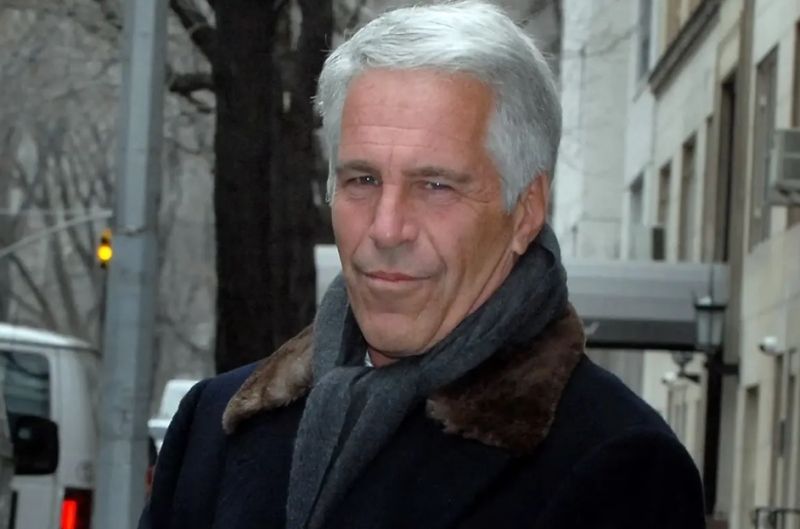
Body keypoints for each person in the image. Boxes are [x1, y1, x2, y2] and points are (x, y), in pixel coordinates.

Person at [140, 2, 706, 528]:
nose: (387, 229)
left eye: (436, 185)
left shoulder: (619, 468)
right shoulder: (213, 428)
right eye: (363, 179)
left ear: (526, 211)